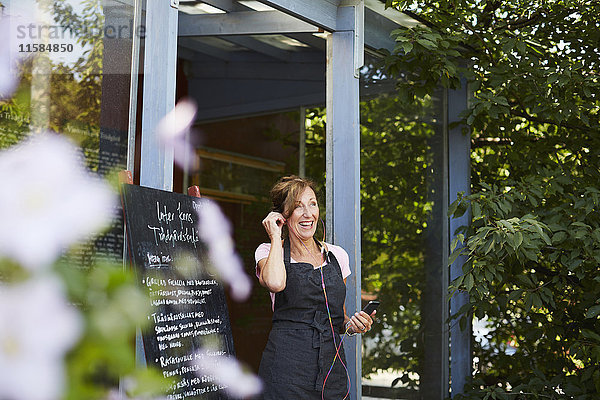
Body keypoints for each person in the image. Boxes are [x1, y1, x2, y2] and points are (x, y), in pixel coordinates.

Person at [255, 175, 375, 399]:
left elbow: (338, 321)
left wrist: (354, 324)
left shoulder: (337, 255)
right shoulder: (268, 252)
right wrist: (274, 235)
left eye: (312, 204)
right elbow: (275, 283)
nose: (308, 213)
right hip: (286, 372)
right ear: (283, 215)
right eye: (298, 207)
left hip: (331, 371)